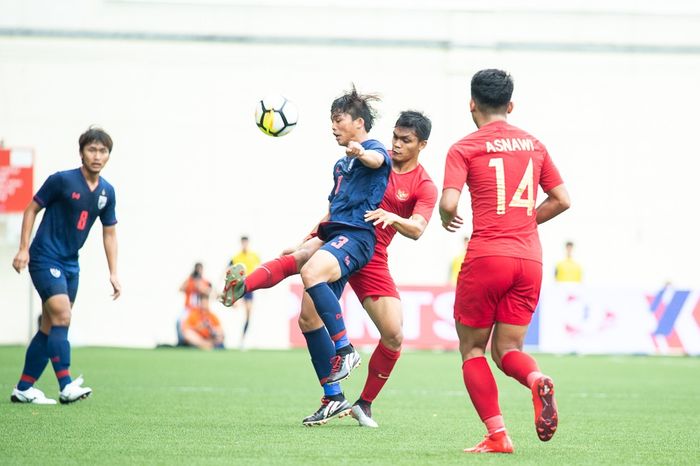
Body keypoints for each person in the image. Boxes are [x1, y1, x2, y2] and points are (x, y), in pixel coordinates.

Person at [439, 69, 570, 453]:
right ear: (510, 105)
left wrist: (448, 218)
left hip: (487, 256)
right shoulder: (534, 145)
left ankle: (498, 435)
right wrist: (526, 220)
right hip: (529, 258)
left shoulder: (464, 148)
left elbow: (448, 203)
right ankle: (536, 380)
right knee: (509, 349)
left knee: (474, 350)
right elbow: (562, 199)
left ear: (471, 105)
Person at [223, 85, 391, 383]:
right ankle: (241, 288)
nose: (333, 127)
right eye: (332, 121)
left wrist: (361, 151)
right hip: (334, 234)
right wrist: (306, 240)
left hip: (357, 238)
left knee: (311, 272)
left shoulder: (375, 149)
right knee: (298, 273)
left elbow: (377, 161)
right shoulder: (341, 164)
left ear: (359, 123)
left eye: (339, 120)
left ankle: (346, 349)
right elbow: (331, 211)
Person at [10, 126, 120, 405]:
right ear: (81, 152)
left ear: (108, 155)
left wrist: (114, 273)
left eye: (103, 151)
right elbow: (31, 209)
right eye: (92, 149)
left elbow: (109, 232)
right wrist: (23, 249)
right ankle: (66, 385)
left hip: (71, 263)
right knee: (63, 316)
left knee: (50, 326)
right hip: (46, 257)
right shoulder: (61, 181)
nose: (97, 155)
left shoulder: (107, 191)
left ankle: (24, 387)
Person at [229, 236, 261, 341]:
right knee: (235, 307)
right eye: (243, 243)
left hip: (250, 286)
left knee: (248, 313)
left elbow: (261, 268)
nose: (244, 245)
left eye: (246, 243)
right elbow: (228, 270)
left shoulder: (254, 256)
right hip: (238, 285)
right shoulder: (236, 257)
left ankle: (243, 338)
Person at [177, 262, 212, 345]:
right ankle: (182, 342)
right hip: (188, 308)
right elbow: (180, 289)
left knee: (202, 325)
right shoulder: (189, 280)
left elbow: (209, 291)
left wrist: (200, 286)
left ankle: (200, 342)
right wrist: (190, 279)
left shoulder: (204, 281)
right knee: (181, 322)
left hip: (199, 309)